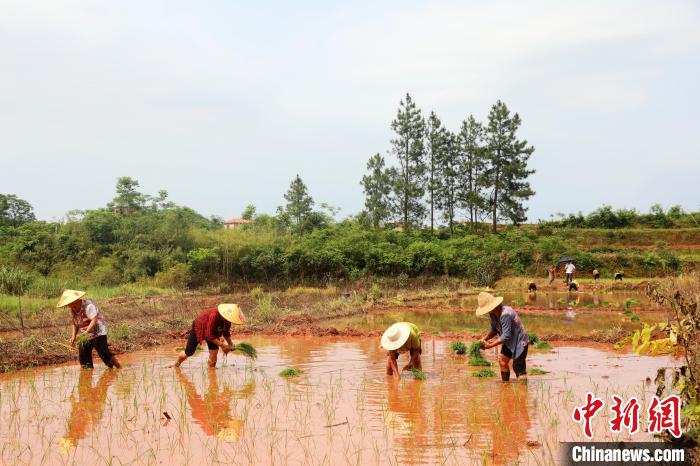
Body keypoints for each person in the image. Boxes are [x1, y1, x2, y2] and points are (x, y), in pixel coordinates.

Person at [57, 290, 121, 369]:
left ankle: (118, 367)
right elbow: (74, 323)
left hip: (98, 331)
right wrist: (73, 336)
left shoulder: (88, 306)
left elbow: (94, 320)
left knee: (103, 352)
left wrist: (87, 331)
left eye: (70, 303)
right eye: (67, 304)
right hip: (85, 333)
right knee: (83, 355)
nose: (69, 306)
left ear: (75, 300)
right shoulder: (73, 309)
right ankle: (87, 371)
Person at [475, 292, 529, 382]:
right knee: (502, 362)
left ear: (493, 306)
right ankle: (505, 386)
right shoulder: (493, 314)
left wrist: (490, 346)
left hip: (520, 341)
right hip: (509, 342)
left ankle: (522, 392)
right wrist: (485, 339)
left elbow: (506, 336)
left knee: (518, 368)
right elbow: (494, 330)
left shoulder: (505, 314)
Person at [173, 304, 245, 368]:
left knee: (214, 352)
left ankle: (211, 372)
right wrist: (222, 345)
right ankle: (176, 364)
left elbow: (226, 332)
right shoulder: (214, 315)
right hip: (199, 327)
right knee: (189, 352)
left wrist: (230, 344)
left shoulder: (228, 320)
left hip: (212, 331)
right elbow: (209, 335)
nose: (228, 320)